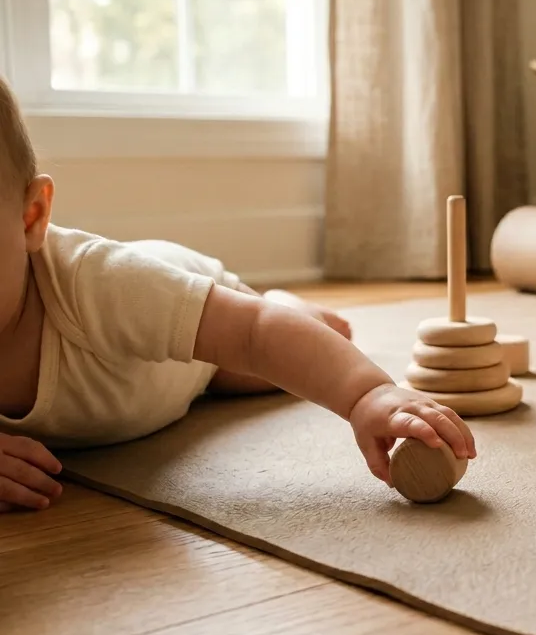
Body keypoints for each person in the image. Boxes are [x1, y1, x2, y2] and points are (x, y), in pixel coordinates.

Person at [0, 79, 475, 512]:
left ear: (31, 217)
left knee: (275, 355)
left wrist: (367, 395)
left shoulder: (99, 286)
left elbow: (253, 333)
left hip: (184, 312)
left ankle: (283, 302)